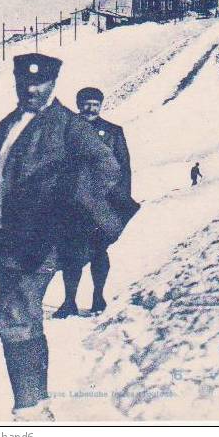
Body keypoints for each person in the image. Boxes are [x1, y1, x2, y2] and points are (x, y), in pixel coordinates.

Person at [0, 53, 123, 421]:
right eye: (24, 83)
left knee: (14, 315)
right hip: (5, 238)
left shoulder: (68, 125)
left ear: (53, 83)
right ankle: (38, 405)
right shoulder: (8, 123)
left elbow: (106, 169)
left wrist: (63, 203)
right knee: (22, 316)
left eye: (40, 83)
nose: (31, 89)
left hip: (40, 238)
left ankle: (29, 411)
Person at [53, 87, 139, 319]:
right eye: (86, 103)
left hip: (102, 205)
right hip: (72, 203)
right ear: (78, 104)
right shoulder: (67, 132)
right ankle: (69, 301)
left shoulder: (113, 132)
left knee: (99, 251)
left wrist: (118, 202)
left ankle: (98, 297)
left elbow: (124, 169)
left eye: (95, 104)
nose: (90, 108)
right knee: (70, 251)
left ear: (101, 105)